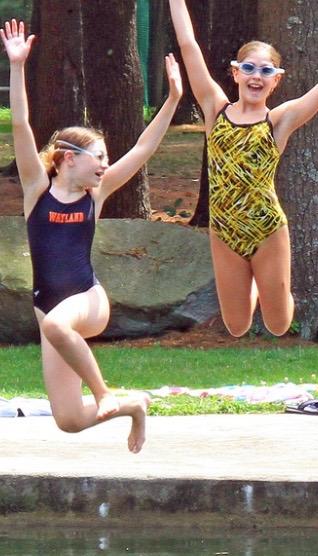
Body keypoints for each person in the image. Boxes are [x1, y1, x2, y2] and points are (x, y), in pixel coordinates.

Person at [1, 19, 183, 452]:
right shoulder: (36, 192)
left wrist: (174, 99)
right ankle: (131, 405)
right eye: (99, 157)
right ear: (67, 159)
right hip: (49, 311)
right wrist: (18, 66)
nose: (105, 164)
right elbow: (22, 127)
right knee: (69, 420)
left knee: (63, 329)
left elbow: (142, 150)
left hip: (87, 300)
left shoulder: (95, 197)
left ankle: (104, 393)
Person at [169, 0, 318, 337]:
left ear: (276, 80)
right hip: (225, 230)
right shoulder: (214, 109)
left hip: (267, 228)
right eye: (249, 68)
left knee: (278, 324)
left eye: (265, 71)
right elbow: (188, 45)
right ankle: (253, 282)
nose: (256, 76)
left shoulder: (279, 120)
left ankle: (275, 286)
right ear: (235, 73)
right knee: (236, 325)